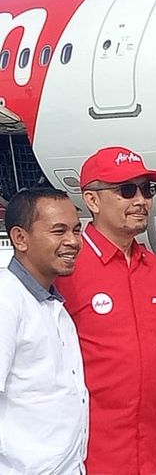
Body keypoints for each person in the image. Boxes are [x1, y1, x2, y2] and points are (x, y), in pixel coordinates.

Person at [56, 146, 156, 474]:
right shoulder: (66, 270)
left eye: (147, 190)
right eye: (126, 190)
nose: (141, 200)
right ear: (92, 201)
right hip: (89, 459)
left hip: (151, 457)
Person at [0, 188, 87, 474]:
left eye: (76, 229)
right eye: (58, 231)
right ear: (20, 238)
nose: (72, 241)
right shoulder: (7, 299)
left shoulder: (49, 301)